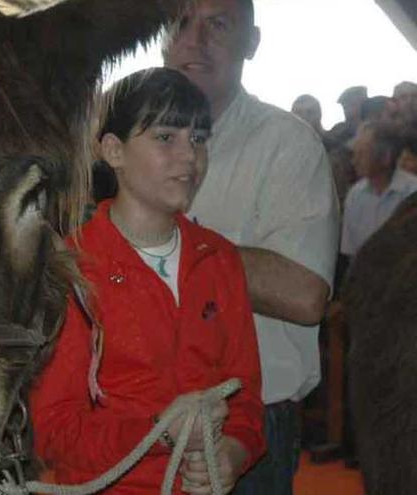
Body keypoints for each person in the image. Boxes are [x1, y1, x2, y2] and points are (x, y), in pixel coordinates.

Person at [30, 68, 264, 495]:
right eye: (165, 138)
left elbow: (245, 398)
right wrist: (161, 433)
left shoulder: (220, 259)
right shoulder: (71, 267)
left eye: (197, 139)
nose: (190, 157)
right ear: (113, 151)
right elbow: (53, 434)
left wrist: (232, 453)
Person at [163, 1, 339, 493]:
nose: (193, 40)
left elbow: (304, 295)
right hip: (137, 416)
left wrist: (160, 241)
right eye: (179, 23)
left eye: (217, 24)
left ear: (253, 43)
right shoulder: (114, 142)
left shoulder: (286, 144)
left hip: (247, 429)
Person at [341, 122, 417, 259]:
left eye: (362, 154)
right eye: (354, 153)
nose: (354, 161)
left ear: (386, 157)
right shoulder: (355, 194)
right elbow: (351, 254)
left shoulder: (412, 192)